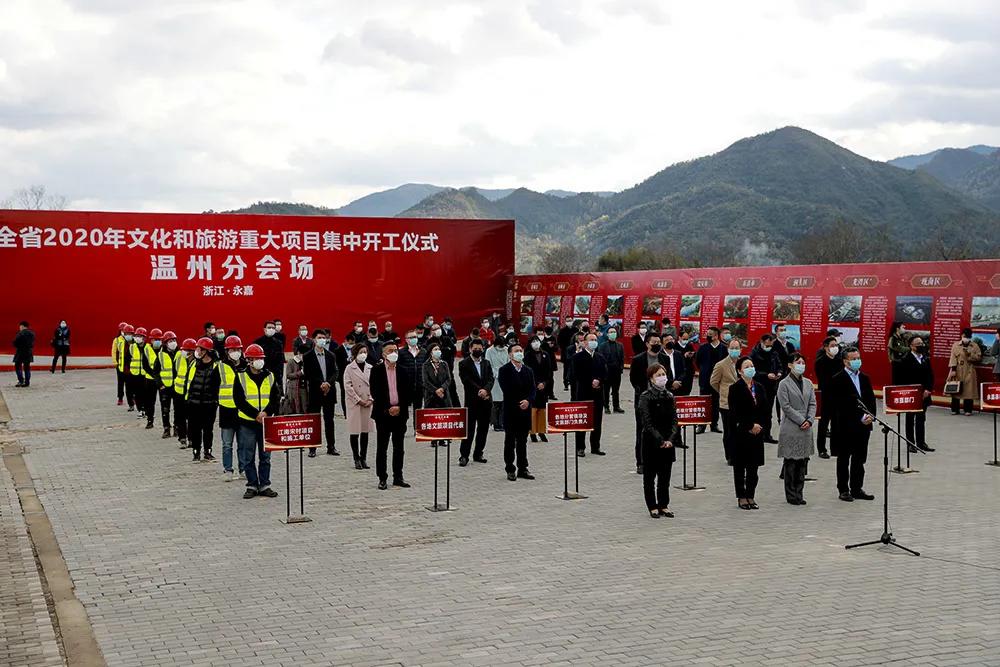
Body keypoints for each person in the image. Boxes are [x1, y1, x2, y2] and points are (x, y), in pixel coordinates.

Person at [233, 344, 281, 499]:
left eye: (261, 358)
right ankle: (252, 485)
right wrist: (255, 414)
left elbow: (275, 398)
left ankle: (265, 484)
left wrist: (266, 412)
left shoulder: (270, 376)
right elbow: (239, 400)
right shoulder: (240, 376)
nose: (259, 361)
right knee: (248, 456)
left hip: (266, 422)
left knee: (265, 456)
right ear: (249, 360)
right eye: (256, 358)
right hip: (248, 422)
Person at [829, 348, 876, 502]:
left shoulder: (864, 378)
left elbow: (871, 400)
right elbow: (840, 406)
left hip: (864, 426)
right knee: (844, 459)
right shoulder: (837, 379)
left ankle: (857, 488)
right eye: (853, 358)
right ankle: (843, 489)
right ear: (845, 361)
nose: (857, 361)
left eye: (858, 358)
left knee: (859, 458)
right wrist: (858, 418)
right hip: (846, 426)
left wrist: (870, 416)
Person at [637, 363, 682, 518]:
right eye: (658, 375)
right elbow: (646, 422)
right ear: (651, 378)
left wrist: (670, 439)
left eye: (663, 374)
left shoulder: (669, 396)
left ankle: (664, 504)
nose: (662, 378)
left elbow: (675, 421)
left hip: (668, 442)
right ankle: (652, 506)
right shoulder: (645, 397)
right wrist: (660, 439)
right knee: (650, 477)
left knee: (665, 477)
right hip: (651, 442)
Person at [776, 353, 816, 506]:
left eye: (802, 362)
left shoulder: (808, 383)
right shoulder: (784, 384)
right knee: (791, 462)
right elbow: (785, 406)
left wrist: (810, 420)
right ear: (789, 365)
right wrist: (801, 420)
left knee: (802, 462)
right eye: (797, 362)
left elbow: (813, 403)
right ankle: (791, 494)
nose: (801, 365)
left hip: (806, 428)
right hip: (792, 426)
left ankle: (799, 492)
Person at [728, 356, 768, 510]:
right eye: (746, 366)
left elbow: (765, 409)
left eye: (752, 365)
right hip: (741, 433)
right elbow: (734, 413)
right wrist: (749, 425)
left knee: (753, 468)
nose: (750, 368)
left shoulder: (759, 387)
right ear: (740, 371)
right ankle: (741, 497)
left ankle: (751, 495)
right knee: (740, 467)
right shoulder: (735, 388)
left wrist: (760, 426)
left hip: (757, 433)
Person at [629, 333, 672, 473]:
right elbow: (633, 379)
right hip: (645, 400)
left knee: (661, 430)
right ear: (647, 344)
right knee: (642, 431)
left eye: (659, 342)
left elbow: (669, 376)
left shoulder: (664, 358)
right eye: (654, 342)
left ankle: (659, 459)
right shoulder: (638, 359)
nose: (657, 344)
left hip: (662, 400)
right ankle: (641, 462)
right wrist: (642, 391)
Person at [370, 342, 412, 489]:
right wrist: (388, 409)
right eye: (390, 350)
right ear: (383, 354)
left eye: (395, 350)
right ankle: (382, 477)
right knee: (382, 447)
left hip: (400, 415)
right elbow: (375, 392)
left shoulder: (403, 370)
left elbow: (408, 392)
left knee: (399, 447)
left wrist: (400, 407)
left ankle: (398, 476)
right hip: (383, 415)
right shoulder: (376, 371)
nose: (394, 352)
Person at [497, 344, 536, 481]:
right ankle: (510, 468)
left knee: (522, 441)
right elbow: (506, 389)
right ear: (510, 355)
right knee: (510, 441)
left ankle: (522, 468)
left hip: (525, 412)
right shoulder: (504, 370)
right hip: (511, 410)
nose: (519, 353)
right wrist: (520, 402)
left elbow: (532, 389)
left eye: (521, 350)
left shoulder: (528, 370)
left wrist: (528, 401)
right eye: (516, 351)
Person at [304, 329, 340, 457]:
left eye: (324, 337)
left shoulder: (331, 355)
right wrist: (321, 383)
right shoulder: (307, 356)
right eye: (319, 337)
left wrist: (328, 383)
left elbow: (335, 372)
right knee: (314, 421)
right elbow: (308, 374)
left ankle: (331, 446)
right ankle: (312, 448)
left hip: (329, 392)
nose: (322, 340)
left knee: (329, 420)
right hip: (315, 392)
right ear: (314, 339)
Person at [185, 337, 221, 463]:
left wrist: (215, 401)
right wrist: (188, 399)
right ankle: (196, 452)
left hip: (209, 404)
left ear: (206, 351)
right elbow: (187, 382)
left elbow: (218, 385)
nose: (197, 351)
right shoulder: (194, 364)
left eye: (200, 349)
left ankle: (208, 452)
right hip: (194, 403)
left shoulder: (217, 366)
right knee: (195, 429)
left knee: (208, 429)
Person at [458, 339, 494, 465]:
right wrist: (480, 391)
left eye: (480, 348)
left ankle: (478, 453)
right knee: (469, 430)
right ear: (470, 349)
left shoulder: (487, 363)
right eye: (475, 348)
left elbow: (491, 379)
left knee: (483, 430)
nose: (477, 350)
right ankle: (464, 455)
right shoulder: (463, 364)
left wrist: (486, 390)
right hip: (472, 401)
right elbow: (466, 381)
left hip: (486, 401)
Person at [896, 335, 935, 453]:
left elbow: (930, 375)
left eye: (922, 343)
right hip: (911, 394)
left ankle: (921, 442)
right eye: (918, 344)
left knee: (921, 419)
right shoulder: (905, 360)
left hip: (924, 394)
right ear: (911, 346)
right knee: (910, 419)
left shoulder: (925, 358)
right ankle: (910, 443)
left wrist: (928, 389)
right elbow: (902, 379)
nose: (921, 346)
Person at [573, 333, 608, 457]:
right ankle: (580, 447)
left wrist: (599, 380)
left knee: (597, 422)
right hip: (583, 393)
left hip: (598, 394)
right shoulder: (578, 357)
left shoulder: (600, 357)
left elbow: (605, 373)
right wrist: (590, 381)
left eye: (595, 339)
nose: (593, 341)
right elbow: (575, 375)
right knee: (582, 421)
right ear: (585, 342)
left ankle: (595, 446)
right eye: (591, 339)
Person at [217, 335, 246, 480]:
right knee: (227, 444)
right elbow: (213, 386)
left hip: (242, 411)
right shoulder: (220, 366)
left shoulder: (246, 365)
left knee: (243, 443)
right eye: (232, 349)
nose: (235, 352)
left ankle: (243, 469)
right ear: (227, 351)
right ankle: (228, 469)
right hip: (226, 409)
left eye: (237, 349)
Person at [710, 338, 743, 464]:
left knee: (740, 430)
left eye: (737, 348)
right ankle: (730, 456)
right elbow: (713, 382)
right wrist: (724, 392)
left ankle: (739, 453)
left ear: (740, 349)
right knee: (729, 431)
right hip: (726, 403)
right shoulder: (721, 365)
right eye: (732, 348)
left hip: (741, 403)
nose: (734, 350)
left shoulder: (744, 363)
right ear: (728, 349)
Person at [344, 342, 375, 469]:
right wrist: (358, 400)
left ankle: (364, 458)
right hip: (355, 404)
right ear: (355, 353)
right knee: (355, 431)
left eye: (365, 352)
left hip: (368, 402)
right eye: (361, 352)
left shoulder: (370, 367)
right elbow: (348, 386)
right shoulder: (349, 368)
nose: (363, 355)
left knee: (365, 431)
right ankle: (356, 458)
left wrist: (371, 399)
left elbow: (375, 385)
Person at [749, 334, 782, 444]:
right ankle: (757, 433)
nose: (769, 346)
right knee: (758, 411)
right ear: (762, 342)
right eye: (767, 344)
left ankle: (767, 435)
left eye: (771, 344)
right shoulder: (754, 353)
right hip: (758, 385)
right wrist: (766, 375)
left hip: (771, 386)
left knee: (768, 412)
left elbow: (779, 365)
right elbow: (753, 371)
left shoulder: (774, 353)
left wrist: (779, 373)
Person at [813, 336, 841, 459]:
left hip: (837, 396)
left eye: (836, 345)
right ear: (825, 347)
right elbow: (824, 379)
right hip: (825, 395)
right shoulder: (820, 362)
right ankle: (822, 449)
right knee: (823, 424)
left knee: (836, 423)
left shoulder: (839, 360)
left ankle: (835, 448)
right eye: (832, 345)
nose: (835, 348)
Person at [695, 326, 726, 434]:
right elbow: (697, 361)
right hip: (705, 380)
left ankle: (714, 425)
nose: (708, 336)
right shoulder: (703, 347)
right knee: (703, 403)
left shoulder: (724, 348)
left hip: (718, 381)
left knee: (716, 403)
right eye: (707, 334)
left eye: (710, 334)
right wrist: (704, 370)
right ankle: (701, 426)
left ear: (716, 336)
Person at [422, 342, 453, 448]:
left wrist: (442, 388)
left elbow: (449, 379)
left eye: (438, 349)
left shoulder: (444, 364)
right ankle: (433, 439)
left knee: (443, 417)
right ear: (431, 352)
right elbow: (425, 381)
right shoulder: (426, 365)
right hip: (431, 394)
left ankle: (442, 438)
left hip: (444, 394)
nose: (437, 351)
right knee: (433, 417)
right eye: (435, 349)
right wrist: (436, 390)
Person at [525, 334, 553, 442]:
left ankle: (541, 431)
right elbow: (527, 371)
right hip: (532, 386)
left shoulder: (545, 354)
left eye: (537, 340)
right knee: (533, 410)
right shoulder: (527, 355)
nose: (536, 343)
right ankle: (532, 432)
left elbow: (549, 371)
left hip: (543, 386)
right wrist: (536, 383)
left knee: (542, 410)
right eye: (533, 341)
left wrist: (544, 383)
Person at [948, 328, 982, 415]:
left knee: (969, 391)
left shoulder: (974, 346)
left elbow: (978, 358)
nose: (966, 338)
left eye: (968, 336)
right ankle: (955, 409)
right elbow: (953, 358)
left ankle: (968, 410)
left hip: (969, 370)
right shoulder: (956, 345)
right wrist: (953, 370)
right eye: (965, 336)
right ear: (962, 335)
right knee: (955, 389)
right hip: (958, 369)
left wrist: (969, 355)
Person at [172, 338, 197, 448]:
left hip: (191, 394)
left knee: (192, 418)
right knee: (180, 417)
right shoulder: (178, 357)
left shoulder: (197, 362)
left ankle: (191, 439)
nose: (184, 352)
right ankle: (182, 438)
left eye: (186, 350)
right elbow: (174, 372)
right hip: (179, 392)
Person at [398, 330, 427, 418]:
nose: (413, 339)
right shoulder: (401, 352)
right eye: (411, 337)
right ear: (406, 340)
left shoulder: (423, 352)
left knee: (418, 412)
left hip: (419, 387)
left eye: (415, 337)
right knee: (403, 412)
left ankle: (416, 431)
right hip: (406, 387)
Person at [156, 331, 179, 439]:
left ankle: (176, 428)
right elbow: (155, 372)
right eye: (170, 341)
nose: (173, 343)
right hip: (165, 387)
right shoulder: (160, 355)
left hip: (177, 386)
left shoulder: (180, 354)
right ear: (165, 343)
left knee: (178, 409)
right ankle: (166, 428)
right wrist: (160, 384)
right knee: (165, 409)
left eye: (174, 340)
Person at [598, 326, 626, 414]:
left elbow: (622, 358)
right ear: (607, 334)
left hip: (617, 371)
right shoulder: (603, 346)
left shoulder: (620, 345)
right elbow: (601, 359)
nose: (613, 333)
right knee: (606, 390)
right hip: (607, 372)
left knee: (616, 390)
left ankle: (616, 406)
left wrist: (621, 368)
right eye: (611, 332)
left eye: (614, 332)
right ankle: (606, 406)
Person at [253, 321, 285, 395]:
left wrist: (280, 378)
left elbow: (280, 362)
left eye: (273, 328)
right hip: (261, 375)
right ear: (264, 329)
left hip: (275, 375)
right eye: (269, 327)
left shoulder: (279, 343)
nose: (271, 329)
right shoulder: (257, 342)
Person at [136, 327, 159, 429]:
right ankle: (150, 420)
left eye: (159, 339)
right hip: (150, 379)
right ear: (151, 340)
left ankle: (168, 425)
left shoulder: (164, 349)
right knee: (150, 401)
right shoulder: (147, 349)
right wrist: (154, 375)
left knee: (165, 403)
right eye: (155, 339)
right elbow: (145, 365)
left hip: (163, 380)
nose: (157, 341)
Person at [485, 334, 508, 431]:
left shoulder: (506, 350)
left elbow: (508, 361)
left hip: (505, 378)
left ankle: (502, 422)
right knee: (495, 403)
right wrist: (495, 374)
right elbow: (488, 364)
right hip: (494, 378)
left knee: (503, 402)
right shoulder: (489, 351)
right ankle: (495, 423)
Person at [283, 343, 311, 415]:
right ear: (299, 353)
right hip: (294, 389)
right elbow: (288, 375)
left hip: (305, 388)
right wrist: (300, 372)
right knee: (295, 408)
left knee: (305, 408)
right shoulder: (291, 362)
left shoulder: (307, 362)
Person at [113, 322, 131, 406]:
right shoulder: (117, 340)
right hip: (120, 365)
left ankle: (131, 398)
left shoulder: (131, 340)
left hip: (129, 366)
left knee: (130, 383)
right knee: (120, 383)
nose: (124, 332)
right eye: (122, 330)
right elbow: (113, 351)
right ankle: (120, 398)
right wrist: (115, 362)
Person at [13, 321, 35, 388]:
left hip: (20, 352)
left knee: (17, 366)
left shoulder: (20, 334)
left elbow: (15, 342)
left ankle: (21, 380)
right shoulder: (32, 334)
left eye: (20, 326)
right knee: (27, 367)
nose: (19, 328)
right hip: (28, 352)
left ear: (22, 326)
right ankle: (27, 382)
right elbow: (32, 343)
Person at [675, 328, 697, 397]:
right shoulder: (675, 346)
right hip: (680, 370)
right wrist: (684, 355)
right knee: (680, 388)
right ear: (679, 337)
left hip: (689, 370)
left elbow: (694, 353)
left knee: (688, 387)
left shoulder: (689, 345)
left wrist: (692, 354)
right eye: (684, 339)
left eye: (687, 339)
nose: (686, 340)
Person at [557, 316, 577, 390]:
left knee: (575, 368)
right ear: (565, 322)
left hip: (575, 352)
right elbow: (559, 341)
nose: (569, 322)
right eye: (568, 320)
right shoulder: (562, 331)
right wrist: (564, 348)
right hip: (566, 353)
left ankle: (573, 383)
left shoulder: (576, 330)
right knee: (566, 369)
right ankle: (565, 383)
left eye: (570, 320)